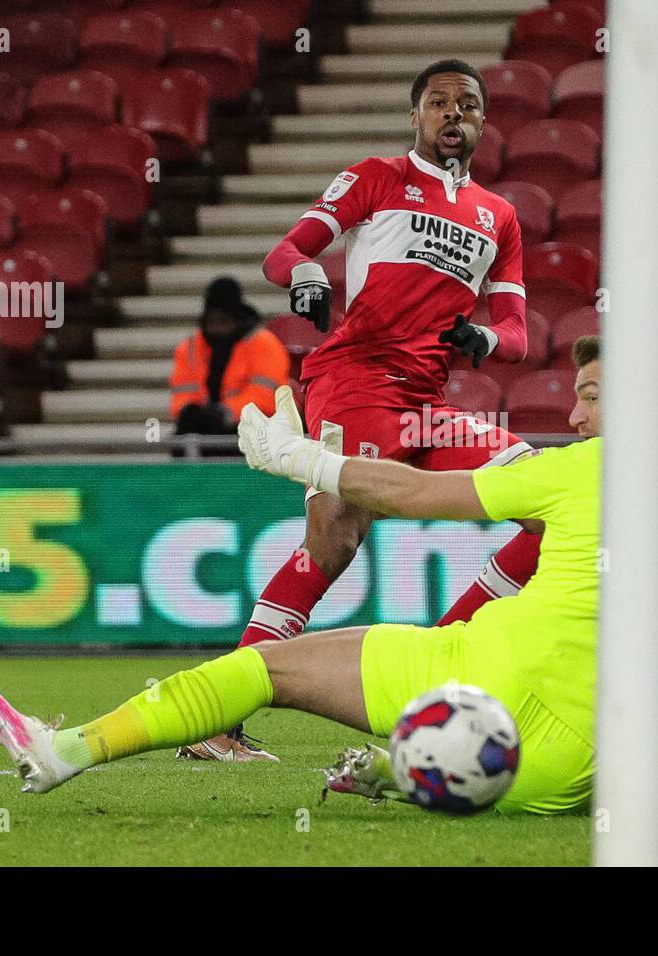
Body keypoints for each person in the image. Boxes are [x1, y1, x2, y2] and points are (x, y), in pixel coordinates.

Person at [0, 343, 658, 816]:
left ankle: (68, 752)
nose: (579, 407)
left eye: (593, 392)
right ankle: (400, 771)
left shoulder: (577, 470)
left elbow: (416, 491)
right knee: (285, 674)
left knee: (269, 671)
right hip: (564, 756)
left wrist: (305, 460)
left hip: (474, 675)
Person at [178, 58, 542, 761]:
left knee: (546, 502)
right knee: (336, 539)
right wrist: (310, 276)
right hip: (355, 378)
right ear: (415, 116)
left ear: (484, 120)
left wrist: (485, 338)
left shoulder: (499, 216)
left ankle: (438, 663)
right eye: (438, 102)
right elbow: (286, 252)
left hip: (423, 400)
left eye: (467, 103)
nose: (453, 114)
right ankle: (218, 720)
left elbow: (520, 336)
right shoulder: (375, 177)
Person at [169, 276, 289, 441]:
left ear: (238, 319)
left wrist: (225, 414)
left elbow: (265, 398)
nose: (218, 328)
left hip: (256, 430)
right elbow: (183, 393)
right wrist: (188, 411)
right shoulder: (189, 347)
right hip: (206, 429)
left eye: (224, 321)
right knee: (182, 438)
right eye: (212, 321)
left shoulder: (264, 344)